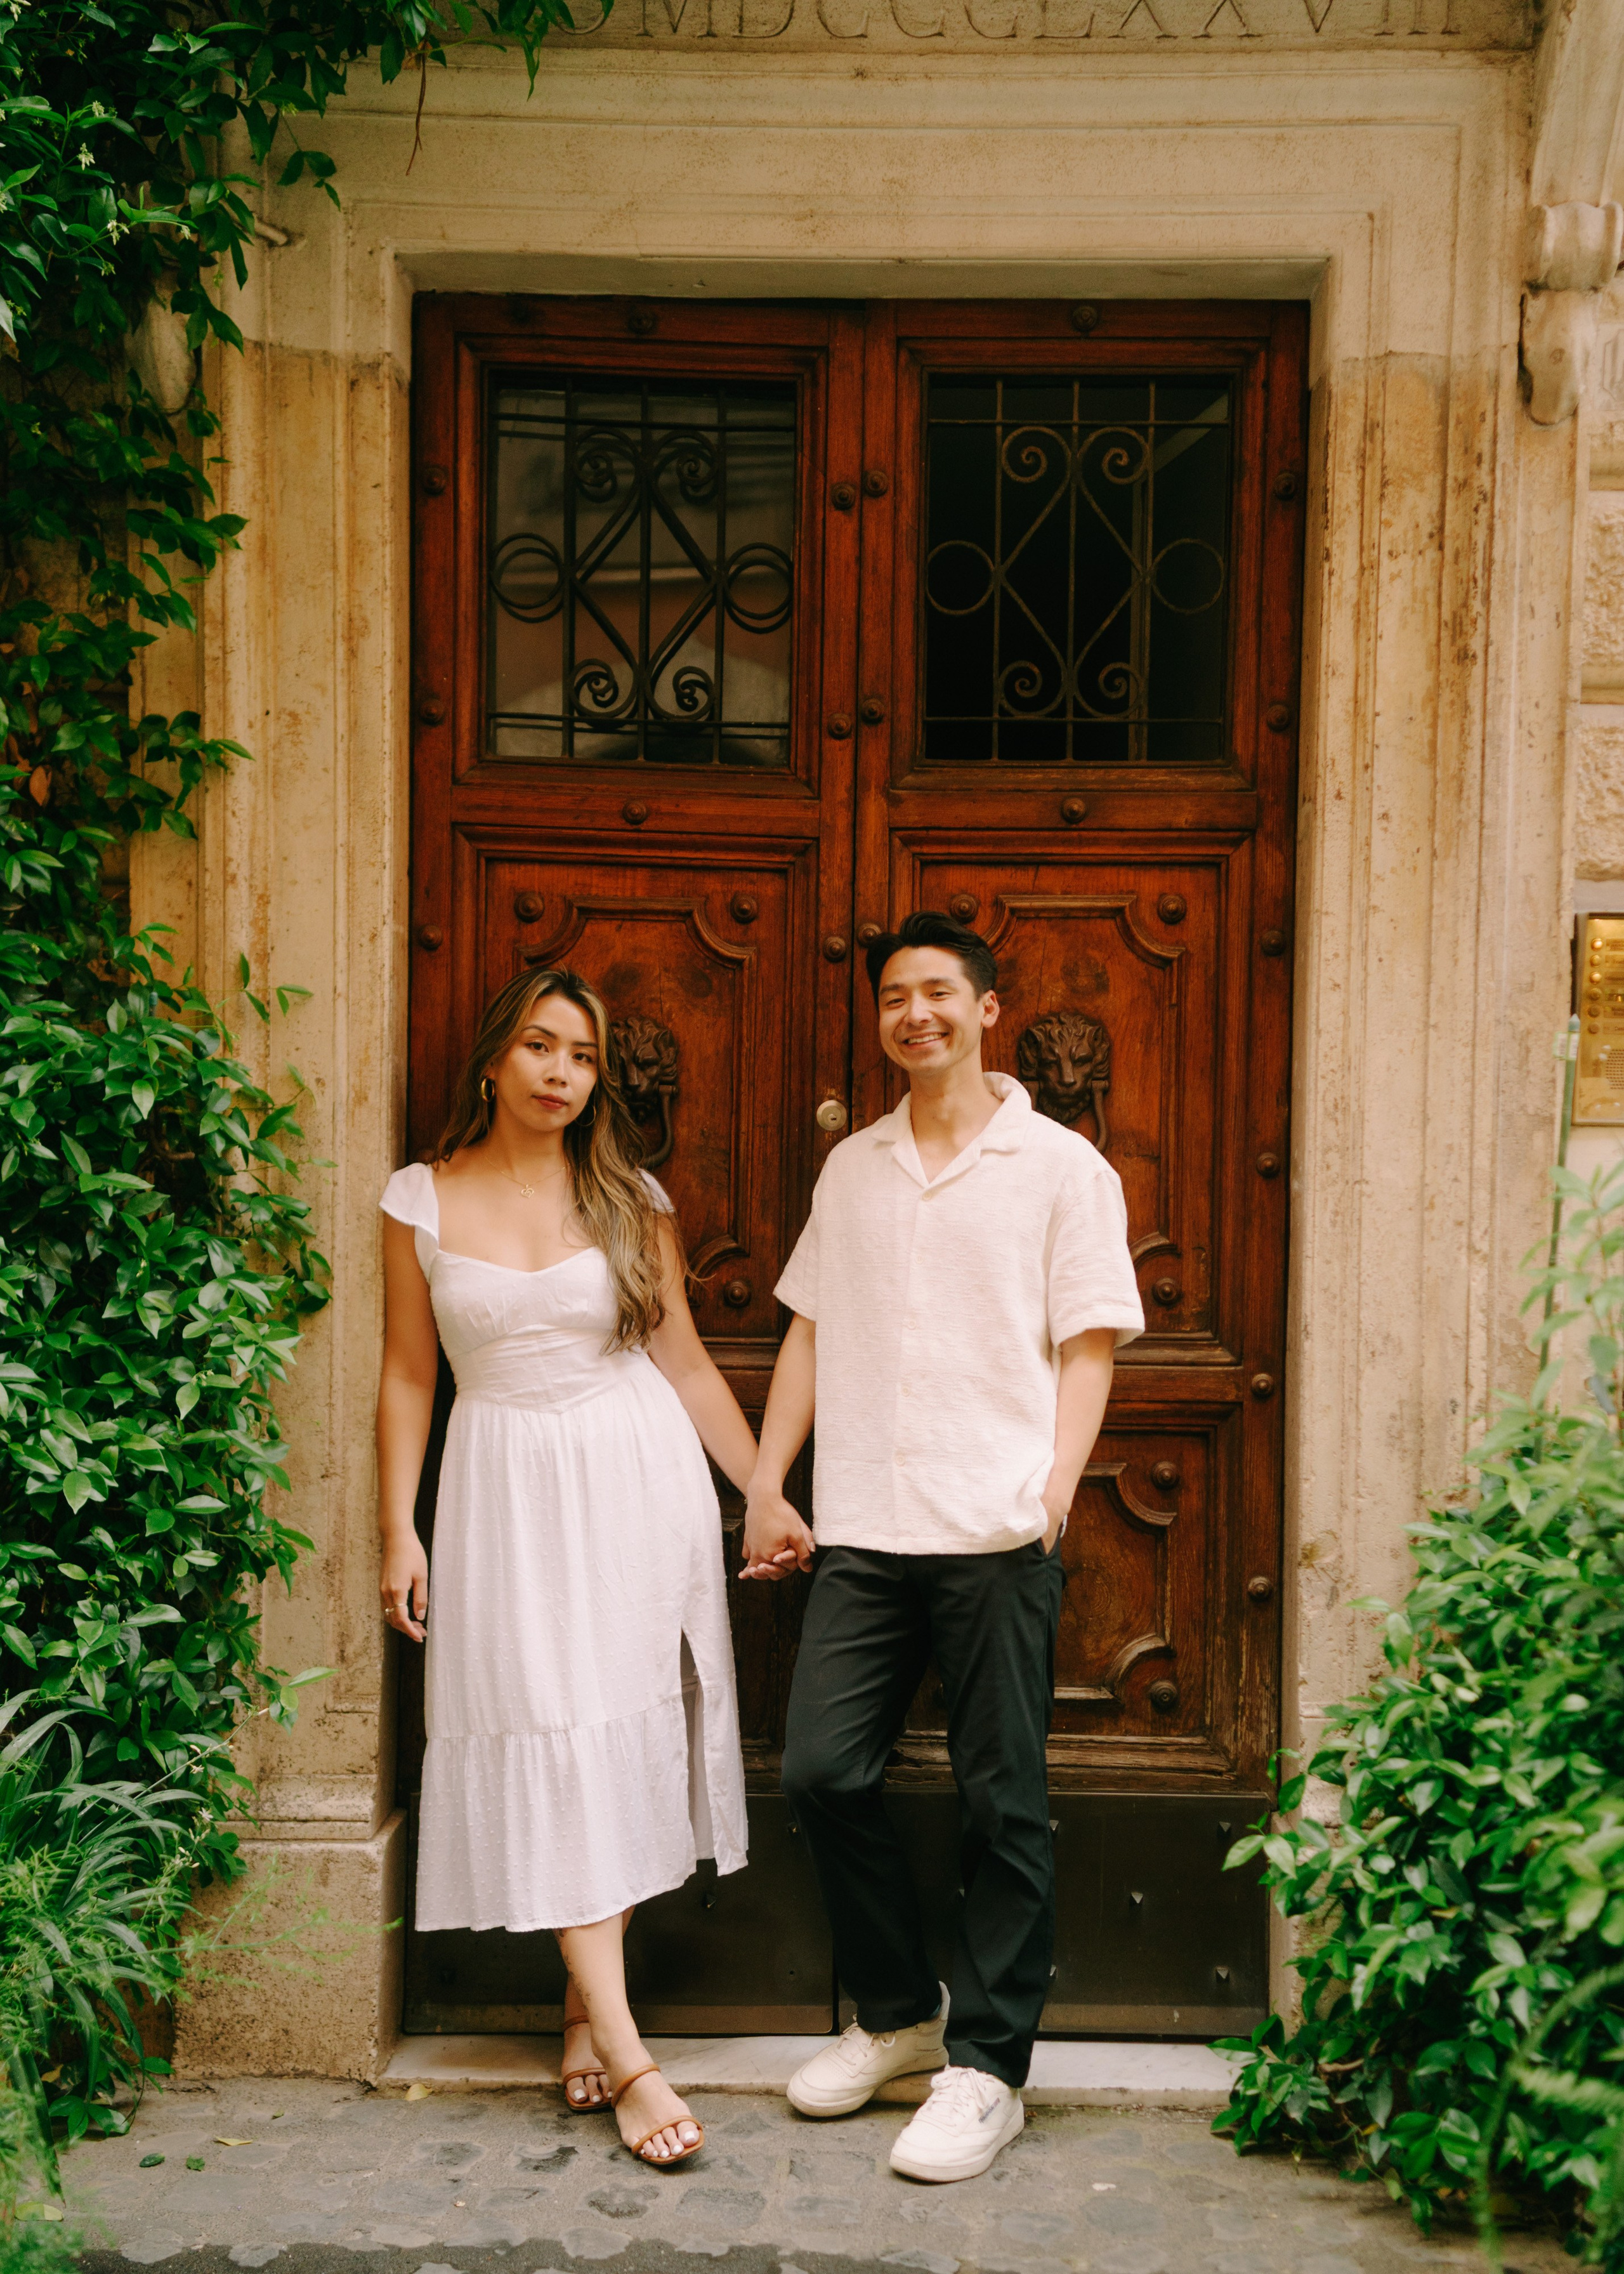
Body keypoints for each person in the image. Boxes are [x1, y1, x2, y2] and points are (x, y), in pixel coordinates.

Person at [742, 911, 1144, 2184]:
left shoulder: (1061, 1167)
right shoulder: (852, 1166)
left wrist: (1054, 1485)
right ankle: (899, 2013)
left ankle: (987, 2066)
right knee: (820, 1769)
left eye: (936, 992)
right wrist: (765, 1480)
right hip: (862, 1523)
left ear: (982, 1005)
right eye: (894, 997)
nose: (913, 1013)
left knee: (1000, 1800)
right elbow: (804, 1330)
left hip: (992, 1529)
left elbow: (1090, 1341)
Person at [376, 965, 760, 2169]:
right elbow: (407, 1376)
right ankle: (619, 2032)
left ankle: (601, 2021)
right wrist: (401, 1526)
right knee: (544, 1727)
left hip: (634, 1476)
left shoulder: (629, 1195)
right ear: (493, 1059)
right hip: (499, 1487)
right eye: (540, 1047)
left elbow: (688, 1365)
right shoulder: (421, 1200)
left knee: (619, 1733)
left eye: (582, 1056)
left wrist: (762, 1491)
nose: (559, 1073)